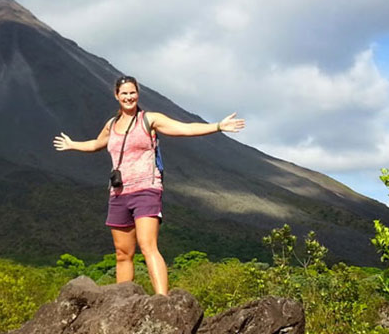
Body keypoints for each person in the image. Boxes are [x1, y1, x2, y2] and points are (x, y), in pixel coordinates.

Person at [53, 75, 245, 295]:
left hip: (147, 189)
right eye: (124, 93)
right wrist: (72, 144)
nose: (128, 97)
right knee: (122, 253)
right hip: (118, 193)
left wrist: (218, 126)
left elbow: (183, 129)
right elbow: (97, 144)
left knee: (147, 246)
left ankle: (162, 301)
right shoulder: (112, 124)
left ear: (138, 94)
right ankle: (121, 300)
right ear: (116, 95)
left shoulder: (149, 119)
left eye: (132, 92)